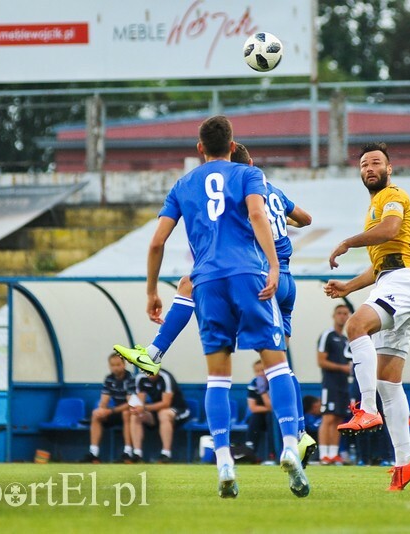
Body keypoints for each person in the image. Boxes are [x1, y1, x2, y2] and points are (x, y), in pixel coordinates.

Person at [123, 116, 309, 499]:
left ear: (199, 148)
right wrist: (273, 266)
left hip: (205, 282)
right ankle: (290, 445)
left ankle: (224, 460)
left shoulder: (181, 185)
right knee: (277, 364)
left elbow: (157, 242)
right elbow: (258, 214)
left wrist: (151, 291)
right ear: (233, 143)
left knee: (218, 378)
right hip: (249, 275)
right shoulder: (246, 175)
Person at [324, 142, 410, 491]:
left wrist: (347, 243)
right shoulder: (373, 206)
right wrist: (349, 287)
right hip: (394, 280)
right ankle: (405, 461)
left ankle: (367, 409)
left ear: (389, 168)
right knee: (389, 382)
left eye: (376, 163)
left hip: (403, 283)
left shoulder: (392, 195)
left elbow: (391, 230)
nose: (369, 168)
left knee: (355, 326)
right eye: (365, 164)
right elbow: (381, 264)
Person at [82, 353, 135, 464]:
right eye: (112, 365)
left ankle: (128, 452)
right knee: (96, 414)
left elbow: (131, 403)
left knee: (127, 413)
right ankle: (94, 453)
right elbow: (104, 400)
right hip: (115, 411)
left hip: (128, 412)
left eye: (118, 365)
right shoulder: (109, 379)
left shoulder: (130, 379)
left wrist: (110, 411)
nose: (115, 368)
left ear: (124, 365)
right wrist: (102, 410)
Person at [129, 367, 190, 463]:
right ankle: (137, 454)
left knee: (164, 414)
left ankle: (166, 454)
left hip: (178, 410)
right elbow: (140, 403)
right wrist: (137, 408)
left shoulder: (166, 377)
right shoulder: (140, 378)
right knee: (135, 415)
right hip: (156, 412)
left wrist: (144, 408)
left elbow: (166, 403)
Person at [316, 304, 352, 465]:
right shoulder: (327, 336)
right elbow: (321, 361)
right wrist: (343, 368)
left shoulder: (345, 340)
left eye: (345, 313)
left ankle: (333, 453)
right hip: (330, 384)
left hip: (343, 385)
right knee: (328, 417)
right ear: (333, 315)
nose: (342, 316)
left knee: (338, 418)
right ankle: (324, 454)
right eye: (339, 313)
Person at [244, 359, 272, 461]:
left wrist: (263, 392)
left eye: (263, 370)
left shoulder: (274, 383)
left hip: (273, 418)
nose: (260, 374)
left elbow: (272, 407)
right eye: (257, 371)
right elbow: (253, 408)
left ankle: (272, 454)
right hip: (259, 416)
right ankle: (250, 450)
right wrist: (268, 409)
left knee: (271, 418)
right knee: (255, 417)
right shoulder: (253, 384)